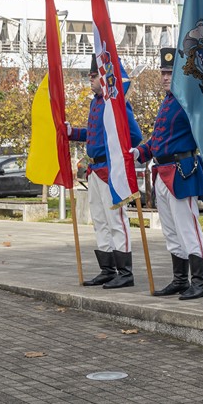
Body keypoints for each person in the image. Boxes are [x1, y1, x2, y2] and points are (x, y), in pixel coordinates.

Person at [132, 47, 203, 300]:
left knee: (188, 229)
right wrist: (140, 152)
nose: (165, 77)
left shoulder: (189, 101)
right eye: (163, 73)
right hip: (161, 171)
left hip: (181, 171)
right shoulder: (166, 103)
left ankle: (198, 282)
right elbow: (158, 140)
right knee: (171, 232)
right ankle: (179, 279)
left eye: (170, 72)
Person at [67, 54, 143, 289]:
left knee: (115, 220)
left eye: (93, 76)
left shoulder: (117, 104)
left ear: (104, 78)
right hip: (95, 167)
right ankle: (107, 269)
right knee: (99, 219)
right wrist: (71, 132)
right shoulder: (95, 103)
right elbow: (93, 135)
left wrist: (118, 154)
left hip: (111, 169)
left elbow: (135, 136)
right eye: (89, 76)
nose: (89, 80)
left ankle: (125, 272)